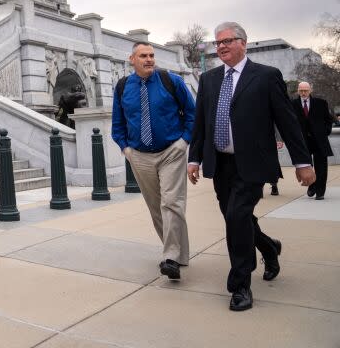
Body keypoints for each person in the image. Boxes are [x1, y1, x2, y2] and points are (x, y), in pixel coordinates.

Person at [188, 22, 315, 312]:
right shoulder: (208, 80)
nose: (221, 47)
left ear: (244, 43)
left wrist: (303, 162)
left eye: (227, 41)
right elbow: (200, 124)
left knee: (236, 216)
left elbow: (287, 121)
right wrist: (194, 158)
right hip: (221, 163)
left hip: (254, 163)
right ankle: (270, 248)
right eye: (217, 43)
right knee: (237, 219)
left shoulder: (266, 77)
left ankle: (240, 285)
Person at [111, 42, 195, 280]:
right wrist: (125, 148)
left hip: (171, 151)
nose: (149, 59)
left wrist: (184, 141)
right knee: (157, 207)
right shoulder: (123, 87)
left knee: (172, 202)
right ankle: (180, 254)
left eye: (151, 55)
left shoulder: (171, 81)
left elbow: (192, 113)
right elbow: (118, 123)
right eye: (143, 56)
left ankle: (170, 257)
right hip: (139, 155)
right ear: (132, 59)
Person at [293, 82, 335, 200]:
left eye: (305, 90)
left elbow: (328, 119)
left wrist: (325, 131)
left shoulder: (321, 103)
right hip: (302, 141)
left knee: (321, 167)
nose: (303, 93)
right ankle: (312, 186)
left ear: (310, 90)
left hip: (319, 140)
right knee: (307, 165)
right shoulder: (293, 104)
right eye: (301, 90)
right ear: (298, 91)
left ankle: (320, 191)